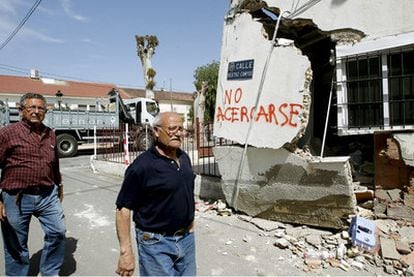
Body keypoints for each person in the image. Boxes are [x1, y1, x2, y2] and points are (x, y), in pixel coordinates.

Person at [115, 111, 196, 276]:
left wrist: (190, 223)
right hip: (156, 244)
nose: (178, 133)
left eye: (181, 129)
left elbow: (187, 192)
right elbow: (123, 209)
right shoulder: (142, 166)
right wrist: (125, 252)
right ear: (156, 132)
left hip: (186, 240)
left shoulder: (184, 158)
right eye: (172, 129)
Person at [0, 93, 66, 276]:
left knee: (58, 232)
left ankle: (50, 272)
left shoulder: (50, 134)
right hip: (16, 197)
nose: (36, 112)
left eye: (41, 108)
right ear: (21, 110)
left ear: (45, 111)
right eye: (32, 108)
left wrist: (59, 185)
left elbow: (55, 163)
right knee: (16, 243)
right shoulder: (7, 133)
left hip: (47, 194)